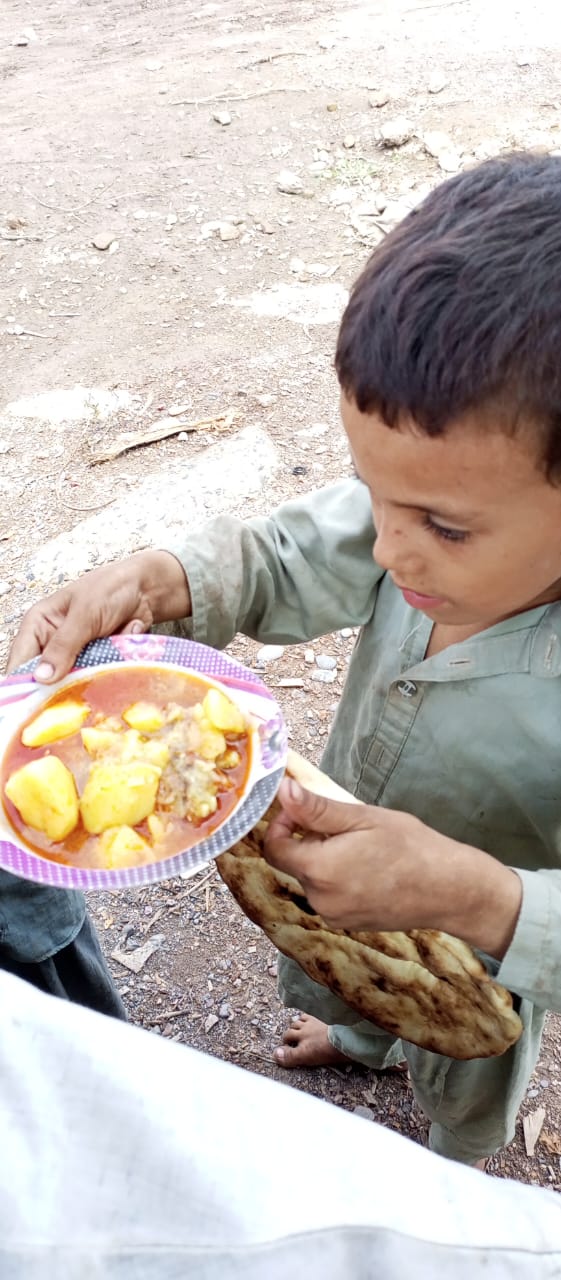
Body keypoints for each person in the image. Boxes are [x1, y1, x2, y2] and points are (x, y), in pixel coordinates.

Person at [8, 151, 561, 1170]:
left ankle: (450, 1161)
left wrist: (478, 899)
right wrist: (169, 579)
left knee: (462, 1049)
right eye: (373, 494)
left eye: (441, 526)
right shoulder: (421, 519)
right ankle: (363, 1039)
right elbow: (286, 554)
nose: (388, 548)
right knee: (360, 975)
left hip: (485, 943)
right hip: (349, 867)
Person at [2, 969, 560, 1280]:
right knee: (361, 943)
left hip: (504, 861)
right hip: (374, 808)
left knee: (480, 998)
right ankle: (365, 1039)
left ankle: (463, 1147)